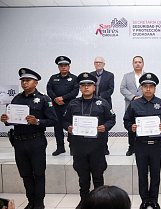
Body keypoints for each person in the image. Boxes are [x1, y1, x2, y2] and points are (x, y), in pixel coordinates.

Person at [1, 68, 58, 209]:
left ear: (36, 82)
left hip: (36, 141)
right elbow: (13, 120)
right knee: (25, 174)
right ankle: (30, 201)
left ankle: (39, 203)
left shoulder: (44, 99)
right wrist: (6, 120)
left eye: (28, 80)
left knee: (38, 173)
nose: (24, 83)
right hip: (19, 142)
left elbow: (53, 120)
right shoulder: (17, 98)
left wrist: (37, 121)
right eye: (23, 80)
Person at [63, 72, 116, 209]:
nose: (86, 87)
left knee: (98, 176)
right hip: (78, 146)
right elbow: (64, 120)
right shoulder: (73, 103)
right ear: (80, 88)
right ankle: (84, 202)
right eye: (83, 85)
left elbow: (112, 119)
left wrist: (105, 127)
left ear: (94, 87)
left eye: (89, 85)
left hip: (97, 146)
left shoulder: (102, 103)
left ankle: (100, 203)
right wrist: (68, 127)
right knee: (83, 177)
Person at [123, 73, 161, 209]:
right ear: (141, 88)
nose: (148, 89)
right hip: (140, 145)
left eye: (151, 86)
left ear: (155, 88)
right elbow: (126, 120)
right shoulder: (134, 104)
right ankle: (145, 200)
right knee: (142, 174)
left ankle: (154, 199)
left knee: (156, 173)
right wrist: (131, 127)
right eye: (145, 86)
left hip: (156, 145)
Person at [47, 56, 79, 156]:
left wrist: (63, 98)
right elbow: (49, 89)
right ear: (58, 67)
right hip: (56, 106)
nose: (63, 67)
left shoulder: (74, 78)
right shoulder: (53, 78)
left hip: (69, 106)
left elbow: (75, 92)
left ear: (69, 67)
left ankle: (73, 147)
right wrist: (56, 98)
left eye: (65, 65)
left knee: (70, 127)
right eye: (61, 66)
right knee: (57, 127)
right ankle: (60, 147)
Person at [120, 56, 145, 156]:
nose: (138, 64)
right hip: (130, 105)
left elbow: (150, 89)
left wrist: (142, 97)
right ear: (133, 64)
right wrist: (133, 97)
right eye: (135, 62)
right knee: (131, 126)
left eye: (139, 62)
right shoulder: (127, 76)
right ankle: (131, 147)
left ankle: (142, 147)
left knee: (142, 126)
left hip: (144, 105)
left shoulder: (147, 75)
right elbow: (122, 88)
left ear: (143, 63)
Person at [91, 56, 114, 155]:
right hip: (91, 103)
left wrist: (99, 97)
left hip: (104, 103)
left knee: (104, 125)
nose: (98, 64)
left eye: (100, 62)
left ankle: (105, 147)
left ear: (104, 64)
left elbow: (110, 89)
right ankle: (94, 146)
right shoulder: (90, 75)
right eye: (96, 62)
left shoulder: (109, 75)